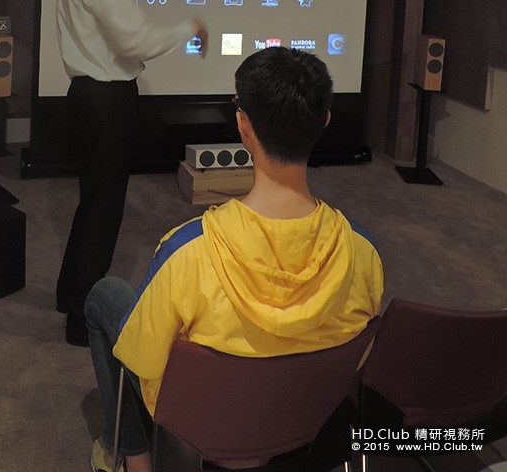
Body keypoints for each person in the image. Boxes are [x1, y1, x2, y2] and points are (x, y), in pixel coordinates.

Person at [84, 46, 384, 472]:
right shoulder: (363, 252)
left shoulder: (185, 251)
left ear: (244, 126)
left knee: (103, 296)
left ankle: (136, 459)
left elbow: (145, 362)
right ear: (324, 121)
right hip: (304, 424)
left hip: (203, 428)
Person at [56, 0, 208, 347]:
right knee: (103, 213)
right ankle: (82, 320)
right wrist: (188, 28)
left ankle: (69, 295)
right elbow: (133, 40)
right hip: (105, 99)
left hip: (91, 96)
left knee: (93, 204)